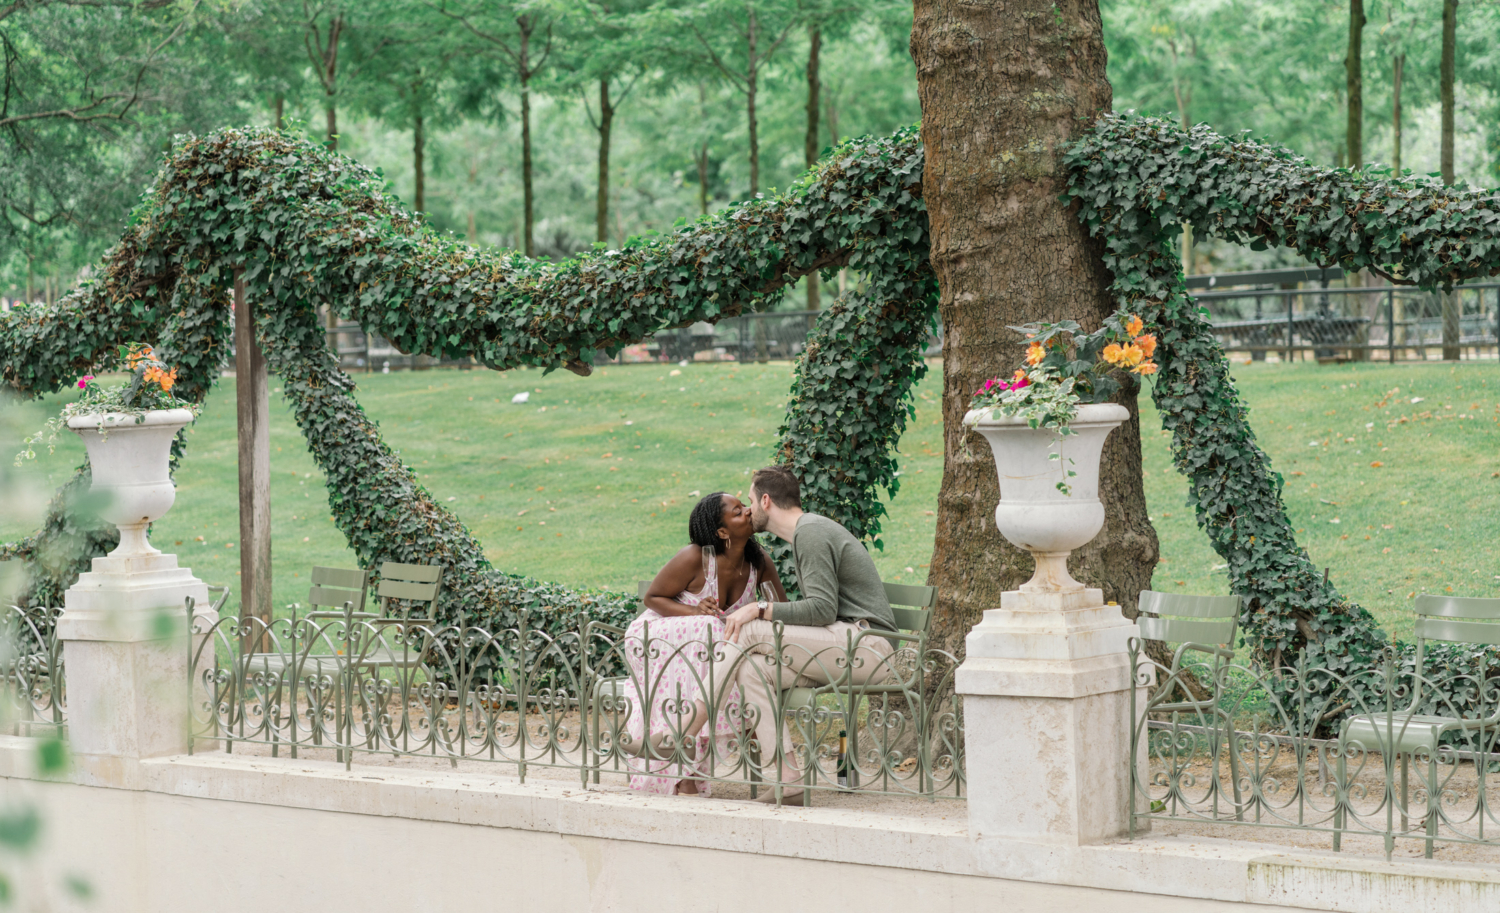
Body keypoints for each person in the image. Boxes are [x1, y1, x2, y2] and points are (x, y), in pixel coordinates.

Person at [720, 465, 897, 803]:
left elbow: (821, 610)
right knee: (750, 669)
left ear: (767, 501)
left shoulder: (811, 532)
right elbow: (823, 614)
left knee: (749, 629)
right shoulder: (807, 532)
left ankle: (684, 730)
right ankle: (789, 780)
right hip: (840, 647)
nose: (749, 508)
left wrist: (759, 609)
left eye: (751, 501)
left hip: (870, 648)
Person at [617, 492, 787, 796]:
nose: (748, 511)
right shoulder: (695, 557)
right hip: (660, 637)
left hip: (712, 649)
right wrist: (696, 610)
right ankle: (683, 768)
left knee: (722, 642)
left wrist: (759, 610)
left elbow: (780, 607)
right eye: (738, 511)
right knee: (711, 629)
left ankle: (686, 761)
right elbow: (653, 599)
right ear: (722, 532)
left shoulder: (758, 562)